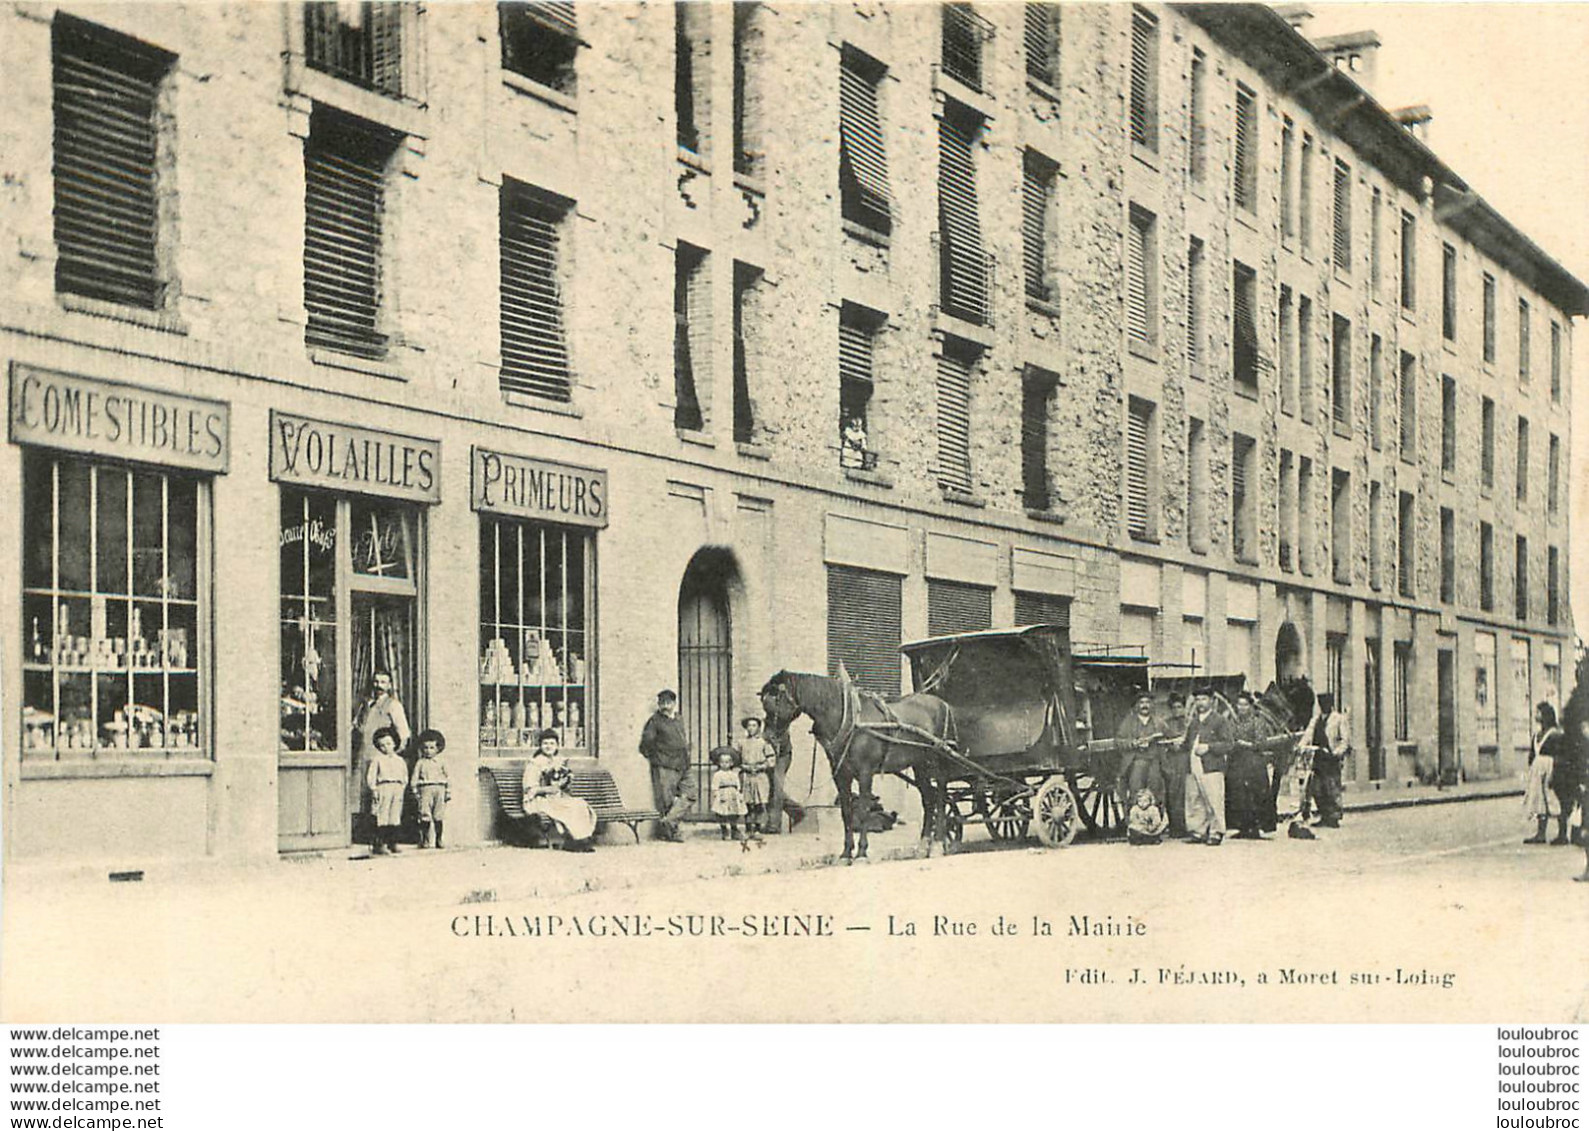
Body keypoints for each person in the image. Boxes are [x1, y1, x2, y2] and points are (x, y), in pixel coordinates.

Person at [352, 669, 410, 841]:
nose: (379, 686)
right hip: (363, 757)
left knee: (380, 802)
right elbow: (356, 726)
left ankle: (382, 839)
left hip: (380, 761)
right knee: (363, 797)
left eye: (383, 682)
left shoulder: (393, 705)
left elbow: (404, 734)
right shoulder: (366, 704)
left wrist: (390, 756)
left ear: (390, 685)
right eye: (376, 682)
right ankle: (364, 836)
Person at [522, 730, 597, 852]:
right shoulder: (535, 764)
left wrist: (566, 782)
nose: (548, 746)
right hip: (539, 800)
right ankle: (575, 840)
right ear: (540, 746)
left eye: (552, 743)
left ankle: (580, 838)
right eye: (545, 743)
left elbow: (563, 787)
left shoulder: (559, 762)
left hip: (555, 799)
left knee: (580, 804)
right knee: (570, 807)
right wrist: (552, 788)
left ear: (557, 745)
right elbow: (530, 789)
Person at [640, 689, 694, 842]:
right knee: (667, 800)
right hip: (665, 764)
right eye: (662, 703)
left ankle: (668, 821)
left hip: (683, 763)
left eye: (668, 702)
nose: (665, 706)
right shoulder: (655, 721)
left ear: (674, 703)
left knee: (691, 794)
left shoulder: (678, 719)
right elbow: (646, 743)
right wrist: (657, 757)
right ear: (658, 704)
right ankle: (671, 833)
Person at [1181, 688, 1232, 846]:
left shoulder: (1219, 720)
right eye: (1197, 700)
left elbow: (1228, 744)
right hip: (1193, 765)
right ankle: (1198, 831)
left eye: (1203, 699)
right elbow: (1187, 743)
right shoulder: (1194, 722)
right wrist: (1178, 745)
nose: (1200, 703)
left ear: (1211, 701)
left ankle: (1216, 832)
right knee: (1195, 798)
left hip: (1211, 767)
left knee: (1214, 799)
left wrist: (1209, 747)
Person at [1226, 692, 1277, 839]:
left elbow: (1261, 743)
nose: (1241, 708)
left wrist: (1244, 744)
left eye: (1244, 705)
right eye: (1239, 704)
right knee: (1238, 795)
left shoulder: (1257, 722)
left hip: (1253, 762)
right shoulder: (1233, 722)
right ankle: (1242, 827)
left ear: (1250, 706)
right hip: (1237, 762)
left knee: (1254, 794)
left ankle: (1255, 827)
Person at [1523, 702, 1567, 845]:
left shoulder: (1555, 735)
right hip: (1538, 772)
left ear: (1546, 715)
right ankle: (1540, 833)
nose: (1536, 714)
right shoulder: (1537, 736)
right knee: (1539, 801)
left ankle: (1562, 834)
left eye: (1539, 712)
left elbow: (1561, 755)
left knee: (1555, 800)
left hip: (1551, 770)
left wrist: (1555, 773)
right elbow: (1532, 755)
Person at [1114, 692, 1166, 810]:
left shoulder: (1158, 722)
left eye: (1147, 702)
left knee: (1156, 792)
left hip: (1154, 762)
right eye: (1142, 703)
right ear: (1137, 705)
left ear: (1152, 705)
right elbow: (1119, 741)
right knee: (1136, 793)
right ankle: (1135, 824)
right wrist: (1133, 743)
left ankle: (1155, 823)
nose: (1144, 705)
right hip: (1136, 763)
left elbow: (1168, 737)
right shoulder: (1129, 722)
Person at [364, 726, 409, 856]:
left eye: (389, 743)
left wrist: (402, 787)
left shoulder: (400, 760)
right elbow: (371, 776)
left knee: (394, 816)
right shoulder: (377, 760)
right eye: (382, 745)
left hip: (396, 788)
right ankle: (380, 844)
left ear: (395, 743)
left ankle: (393, 842)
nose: (386, 747)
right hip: (383, 787)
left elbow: (404, 775)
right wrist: (374, 789)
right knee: (382, 816)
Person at [762, 721, 807, 835]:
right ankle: (797, 811)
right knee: (772, 788)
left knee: (777, 787)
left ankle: (774, 825)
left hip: (782, 757)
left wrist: (775, 745)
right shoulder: (768, 722)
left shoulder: (781, 721)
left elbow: (783, 745)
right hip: (768, 758)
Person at [1310, 693, 1347, 828]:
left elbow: (1344, 741)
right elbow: (1308, 735)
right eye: (1321, 704)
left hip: (1331, 759)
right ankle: (1324, 814)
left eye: (1325, 703)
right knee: (1317, 788)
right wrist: (1301, 747)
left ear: (1330, 704)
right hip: (1318, 758)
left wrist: (1336, 753)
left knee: (1332, 787)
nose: (1323, 706)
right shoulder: (1316, 720)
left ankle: (1334, 816)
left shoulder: (1339, 719)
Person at [411, 729, 450, 849]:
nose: (428, 751)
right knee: (424, 814)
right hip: (425, 789)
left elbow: (447, 777)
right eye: (425, 748)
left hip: (439, 788)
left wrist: (447, 792)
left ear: (438, 748)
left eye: (432, 747)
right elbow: (415, 777)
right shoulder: (420, 763)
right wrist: (415, 790)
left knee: (438, 815)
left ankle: (439, 839)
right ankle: (426, 840)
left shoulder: (441, 762)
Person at [1160, 693, 1190, 837]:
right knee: (1172, 794)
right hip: (1171, 760)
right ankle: (1175, 827)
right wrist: (1171, 746)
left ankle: (1187, 825)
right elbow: (1161, 740)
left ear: (1184, 708)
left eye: (1179, 707)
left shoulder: (1189, 722)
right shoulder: (1166, 723)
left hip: (1186, 759)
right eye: (1174, 707)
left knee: (1186, 793)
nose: (1177, 710)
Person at [737, 717, 772, 839]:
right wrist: (744, 766)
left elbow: (771, 760)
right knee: (748, 802)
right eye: (749, 726)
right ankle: (748, 828)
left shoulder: (763, 742)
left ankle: (757, 828)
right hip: (746, 775)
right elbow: (736, 759)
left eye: (754, 725)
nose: (751, 728)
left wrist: (761, 766)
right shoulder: (741, 743)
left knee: (759, 802)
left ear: (758, 728)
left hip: (760, 775)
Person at [710, 747, 748, 845]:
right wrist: (717, 794)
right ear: (719, 763)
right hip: (723, 795)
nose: (724, 764)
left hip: (732, 794)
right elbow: (715, 786)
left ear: (731, 763)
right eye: (722, 762)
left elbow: (738, 785)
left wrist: (739, 794)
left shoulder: (734, 774)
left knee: (733, 813)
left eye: (727, 762)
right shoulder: (718, 774)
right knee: (722, 813)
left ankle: (734, 829)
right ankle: (724, 830)